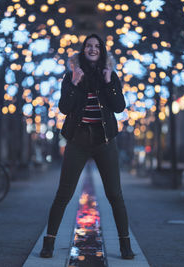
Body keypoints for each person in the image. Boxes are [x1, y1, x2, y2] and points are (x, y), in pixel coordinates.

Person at [39, 33, 134, 260]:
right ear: (83, 50)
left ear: (102, 51)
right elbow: (64, 107)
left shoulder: (109, 75)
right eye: (88, 46)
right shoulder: (72, 75)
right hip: (78, 141)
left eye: (96, 46)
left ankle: (125, 246)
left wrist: (110, 80)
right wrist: (73, 82)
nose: (92, 49)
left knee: (115, 194)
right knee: (64, 194)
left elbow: (119, 107)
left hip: (105, 142)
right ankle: (49, 244)